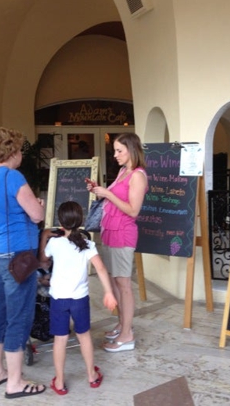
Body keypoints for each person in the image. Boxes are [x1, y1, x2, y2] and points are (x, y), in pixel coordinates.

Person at [0, 127, 46, 399]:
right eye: (18, 150)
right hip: (16, 257)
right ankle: (15, 382)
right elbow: (37, 215)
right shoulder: (12, 176)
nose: (20, 156)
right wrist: (37, 203)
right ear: (13, 151)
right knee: (19, 317)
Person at [41, 201, 117, 395]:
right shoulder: (87, 244)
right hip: (79, 299)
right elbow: (101, 268)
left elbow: (43, 259)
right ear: (81, 221)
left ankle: (59, 381)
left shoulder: (54, 243)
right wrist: (108, 292)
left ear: (60, 221)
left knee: (61, 339)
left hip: (59, 299)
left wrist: (44, 236)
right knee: (84, 336)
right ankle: (91, 375)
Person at [86, 133, 147, 352]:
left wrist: (108, 195)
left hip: (123, 234)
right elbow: (113, 197)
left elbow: (133, 210)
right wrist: (99, 191)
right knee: (115, 283)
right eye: (115, 150)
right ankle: (123, 324)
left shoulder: (138, 176)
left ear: (131, 150)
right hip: (110, 232)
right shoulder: (123, 172)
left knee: (124, 285)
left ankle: (127, 334)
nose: (115, 155)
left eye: (119, 150)